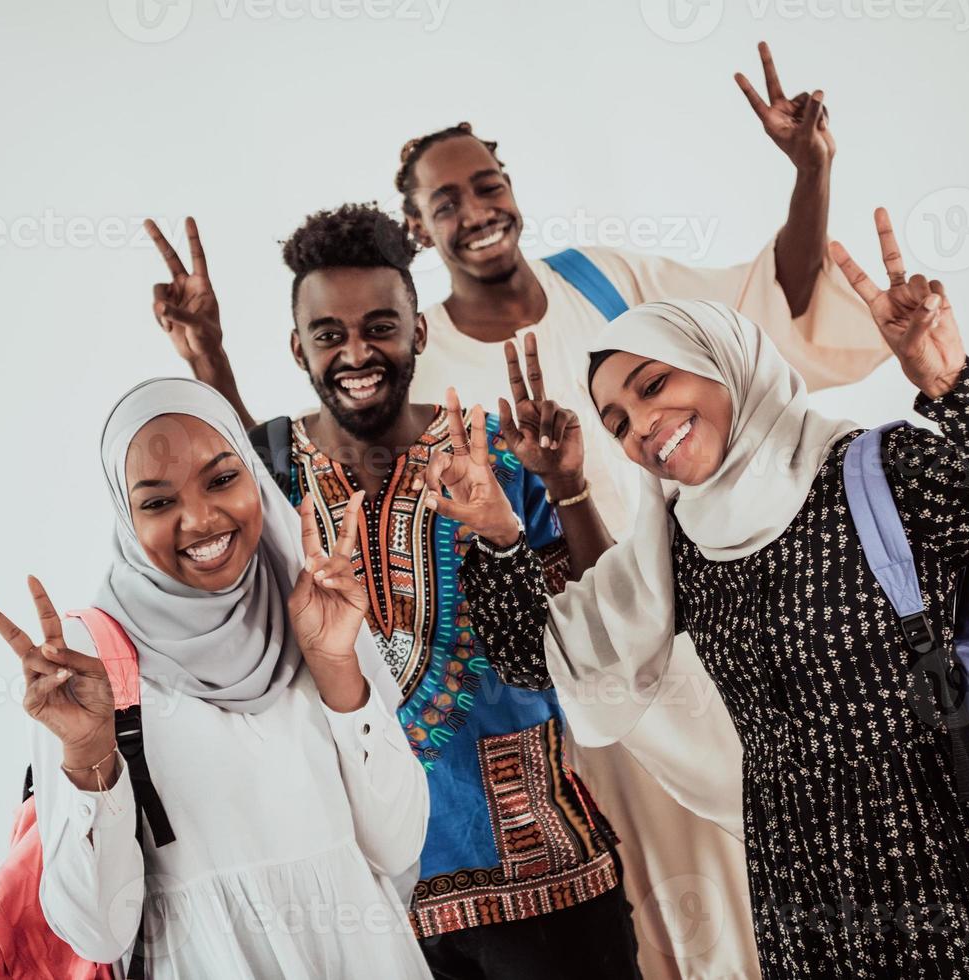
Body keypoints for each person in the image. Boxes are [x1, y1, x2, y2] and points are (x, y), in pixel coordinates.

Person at [445, 209, 969, 978]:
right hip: (801, 893)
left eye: (654, 383)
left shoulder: (883, 476)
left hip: (943, 869)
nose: (642, 427)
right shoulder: (684, 543)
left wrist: (953, 383)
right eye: (617, 421)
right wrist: (503, 529)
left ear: (722, 360)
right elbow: (545, 658)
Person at [392, 43, 889, 978]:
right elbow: (349, 448)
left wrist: (810, 172)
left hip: (698, 627)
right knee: (647, 898)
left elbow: (758, 312)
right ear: (419, 230)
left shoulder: (600, 278)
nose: (476, 212)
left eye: (486, 184)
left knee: (750, 858)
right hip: (576, 670)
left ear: (512, 188)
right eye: (445, 202)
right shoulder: (423, 361)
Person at [147, 204, 643, 978]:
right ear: (298, 347)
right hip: (370, 903)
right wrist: (207, 355)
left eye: (380, 326)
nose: (356, 352)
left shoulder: (495, 455)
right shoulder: (279, 474)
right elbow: (238, 472)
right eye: (329, 335)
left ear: (419, 331)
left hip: (545, 878)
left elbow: (602, 632)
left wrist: (567, 484)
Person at [0, 378, 431, 978]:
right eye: (159, 503)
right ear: (125, 514)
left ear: (254, 476)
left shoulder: (310, 606)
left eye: (222, 479)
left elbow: (397, 848)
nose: (200, 519)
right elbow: (99, 930)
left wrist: (338, 666)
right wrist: (88, 754)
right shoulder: (89, 660)